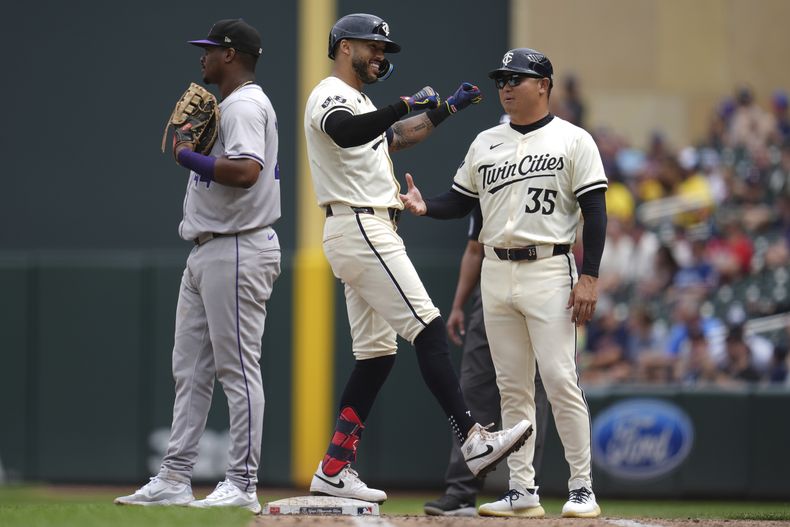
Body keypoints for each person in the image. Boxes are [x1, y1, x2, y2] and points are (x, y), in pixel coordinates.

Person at [303, 13, 532, 504]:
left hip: (363, 226)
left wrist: (446, 109)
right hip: (361, 224)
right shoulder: (330, 94)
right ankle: (473, 440)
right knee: (427, 328)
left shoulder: (362, 101)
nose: (381, 56)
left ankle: (333, 468)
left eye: (384, 50)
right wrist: (400, 103)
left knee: (376, 356)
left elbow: (395, 136)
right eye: (374, 47)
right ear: (345, 47)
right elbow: (346, 131)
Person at [400, 47, 608, 518]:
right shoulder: (485, 142)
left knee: (558, 379)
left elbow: (595, 212)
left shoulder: (574, 140)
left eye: (517, 77)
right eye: (502, 79)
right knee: (512, 387)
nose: (507, 86)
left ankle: (581, 487)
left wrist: (590, 275)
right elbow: (457, 201)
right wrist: (423, 205)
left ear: (544, 85)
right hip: (496, 270)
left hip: (549, 267)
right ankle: (522, 490)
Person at [115, 19, 281, 513]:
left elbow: (247, 172)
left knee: (237, 369)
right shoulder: (231, 105)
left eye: (209, 50)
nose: (202, 57)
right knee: (189, 371)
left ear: (231, 55)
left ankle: (243, 483)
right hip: (209, 248)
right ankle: (174, 476)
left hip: (237, 247)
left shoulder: (246, 104)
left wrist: (188, 155)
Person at [424, 204, 550, 517]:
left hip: (543, 280)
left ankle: (524, 488)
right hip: (491, 285)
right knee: (473, 388)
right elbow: (473, 248)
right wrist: (457, 305)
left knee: (532, 389)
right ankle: (461, 490)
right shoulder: (488, 176)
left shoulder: (553, 162)